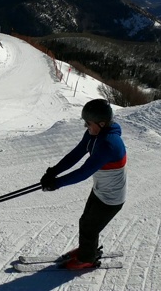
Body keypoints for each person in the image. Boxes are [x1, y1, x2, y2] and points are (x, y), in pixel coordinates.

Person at [40, 99, 127, 270]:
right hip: (100, 190)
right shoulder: (94, 135)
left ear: (101, 124)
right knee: (86, 221)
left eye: (88, 123)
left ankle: (87, 258)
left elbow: (84, 172)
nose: (86, 127)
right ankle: (88, 249)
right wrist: (53, 172)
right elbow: (76, 154)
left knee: (90, 227)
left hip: (112, 198)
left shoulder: (109, 144)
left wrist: (56, 184)